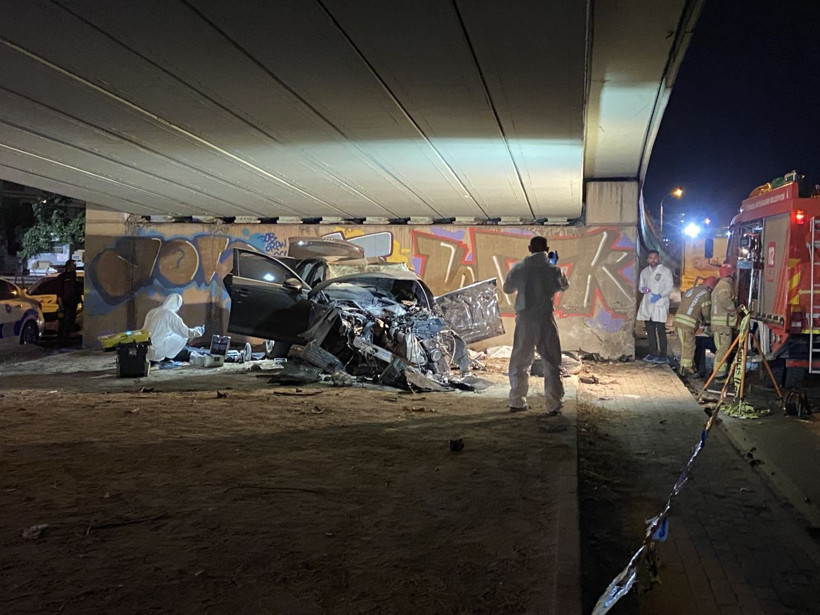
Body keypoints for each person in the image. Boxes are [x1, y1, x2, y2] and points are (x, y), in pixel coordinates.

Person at [503, 235, 569, 415]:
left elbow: (507, 288)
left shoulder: (520, 268)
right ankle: (554, 405)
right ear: (547, 250)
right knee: (552, 362)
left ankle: (517, 401)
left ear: (529, 249)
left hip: (525, 318)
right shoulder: (553, 269)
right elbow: (564, 286)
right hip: (545, 318)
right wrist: (554, 264)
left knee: (520, 360)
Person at [142, 293, 204, 362]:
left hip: (145, 349)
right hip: (157, 351)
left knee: (173, 333)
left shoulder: (153, 311)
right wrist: (199, 331)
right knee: (182, 336)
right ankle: (168, 356)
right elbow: (186, 333)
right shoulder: (170, 315)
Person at [675, 276, 717, 377]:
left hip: (678, 320)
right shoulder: (705, 294)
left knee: (685, 346)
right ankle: (687, 370)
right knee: (689, 346)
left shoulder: (692, 289)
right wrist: (708, 322)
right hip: (688, 323)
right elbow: (706, 312)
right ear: (710, 287)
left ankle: (683, 367)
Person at [637, 250, 674, 364]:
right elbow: (640, 286)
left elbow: (670, 287)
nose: (653, 260)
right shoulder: (644, 272)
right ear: (648, 259)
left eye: (655, 258)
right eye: (651, 258)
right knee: (650, 330)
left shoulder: (665, 271)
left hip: (660, 304)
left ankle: (663, 355)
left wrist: (660, 295)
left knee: (661, 330)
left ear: (659, 259)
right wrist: (644, 289)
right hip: (648, 304)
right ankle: (653, 353)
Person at [711, 264, 737, 379]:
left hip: (719, 324)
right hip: (723, 325)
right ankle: (719, 374)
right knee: (723, 349)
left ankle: (719, 372)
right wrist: (733, 310)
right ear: (730, 274)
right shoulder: (724, 285)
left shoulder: (720, 285)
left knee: (721, 348)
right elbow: (725, 300)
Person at [56, 259, 80, 341]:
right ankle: (61, 338)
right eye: (73, 265)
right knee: (64, 321)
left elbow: (77, 290)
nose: (75, 267)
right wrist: (60, 303)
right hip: (65, 303)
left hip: (73, 303)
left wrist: (80, 301)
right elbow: (59, 291)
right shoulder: (62, 277)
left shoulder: (74, 277)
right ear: (69, 266)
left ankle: (66, 337)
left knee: (71, 321)